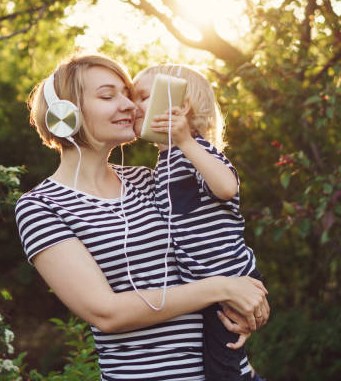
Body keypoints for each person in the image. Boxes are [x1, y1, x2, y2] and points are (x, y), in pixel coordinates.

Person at [14, 54, 269, 380]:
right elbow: (107, 313)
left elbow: (215, 243)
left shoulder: (149, 180)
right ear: (66, 113)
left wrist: (250, 304)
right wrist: (223, 289)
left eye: (129, 95)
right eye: (108, 96)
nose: (131, 106)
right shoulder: (41, 206)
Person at [133, 64, 266, 380]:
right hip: (206, 286)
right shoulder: (164, 162)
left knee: (223, 369)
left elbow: (226, 187)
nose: (133, 106)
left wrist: (187, 142)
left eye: (142, 97)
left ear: (180, 105)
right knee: (217, 364)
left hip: (231, 276)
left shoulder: (198, 151)